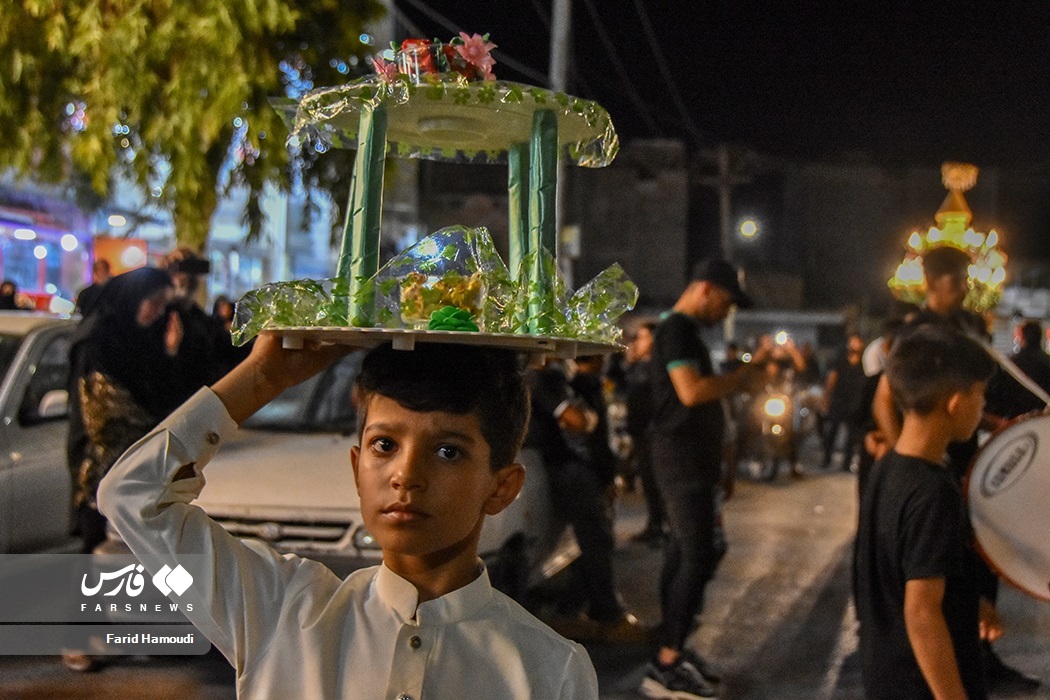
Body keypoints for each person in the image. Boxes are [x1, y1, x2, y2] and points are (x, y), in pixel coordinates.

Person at [98, 338, 599, 698]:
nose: (406, 476)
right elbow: (131, 496)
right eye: (385, 445)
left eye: (447, 451)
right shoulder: (277, 611)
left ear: (502, 487)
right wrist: (262, 377)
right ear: (358, 467)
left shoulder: (550, 670)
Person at [870, 245, 1040, 694]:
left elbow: (957, 401)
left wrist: (997, 425)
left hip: (954, 459)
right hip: (934, 462)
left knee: (966, 562)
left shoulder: (967, 326)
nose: (965, 288)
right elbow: (890, 397)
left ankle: (979, 649)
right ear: (934, 281)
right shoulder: (917, 334)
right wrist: (906, 453)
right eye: (958, 280)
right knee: (927, 571)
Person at [643, 258, 768, 700]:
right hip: (681, 459)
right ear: (706, 289)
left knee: (688, 552)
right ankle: (666, 662)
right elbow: (691, 391)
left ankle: (673, 644)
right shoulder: (677, 329)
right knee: (698, 553)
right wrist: (742, 378)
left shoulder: (685, 332)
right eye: (726, 302)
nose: (726, 312)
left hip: (693, 459)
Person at [856, 325, 996, 699]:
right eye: (980, 395)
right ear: (955, 402)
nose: (983, 407)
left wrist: (970, 602)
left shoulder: (887, 468)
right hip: (923, 686)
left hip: (888, 676)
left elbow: (903, 571)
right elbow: (922, 613)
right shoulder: (934, 492)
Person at [524, 357, 645, 641]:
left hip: (562, 464)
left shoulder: (554, 376)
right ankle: (608, 614)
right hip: (561, 466)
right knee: (595, 540)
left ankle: (571, 610)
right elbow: (578, 420)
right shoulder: (540, 378)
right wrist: (588, 419)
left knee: (590, 543)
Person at [66, 267, 183, 554]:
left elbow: (164, 392)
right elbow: (107, 410)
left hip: (135, 469)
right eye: (155, 303)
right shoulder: (96, 340)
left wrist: (171, 352)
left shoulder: (141, 336)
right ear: (134, 297)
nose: (159, 312)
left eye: (164, 305)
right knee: (102, 555)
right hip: (100, 467)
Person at [624, 322, 663, 543]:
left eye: (642, 337)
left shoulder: (658, 368)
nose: (637, 342)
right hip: (640, 432)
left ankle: (660, 527)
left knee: (655, 481)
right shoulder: (638, 366)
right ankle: (655, 524)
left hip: (653, 434)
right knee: (647, 481)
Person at [820, 333, 867, 471]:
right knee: (832, 431)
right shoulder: (840, 360)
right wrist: (826, 398)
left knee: (851, 435)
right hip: (839, 400)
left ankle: (846, 463)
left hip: (855, 402)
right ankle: (826, 458)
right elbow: (832, 379)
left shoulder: (864, 362)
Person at [986, 318, 1050, 419]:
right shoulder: (1047, 361)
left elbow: (999, 393)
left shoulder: (1009, 364)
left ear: (1022, 337)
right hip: (1043, 418)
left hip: (1015, 418)